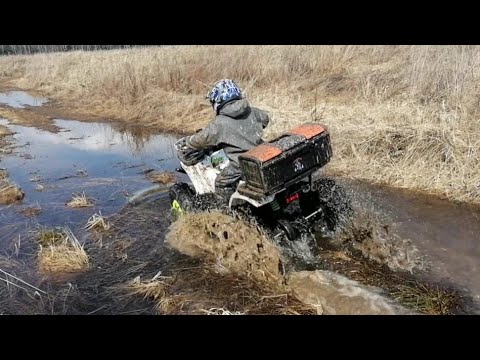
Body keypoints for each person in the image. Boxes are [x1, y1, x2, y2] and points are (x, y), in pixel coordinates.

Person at [184, 79, 270, 197]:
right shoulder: (253, 111)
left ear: (217, 101)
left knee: (220, 183)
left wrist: (188, 142)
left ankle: (227, 212)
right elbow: (265, 120)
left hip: (240, 165)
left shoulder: (220, 123)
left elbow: (201, 139)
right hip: (262, 156)